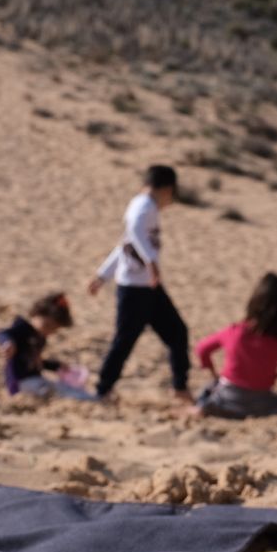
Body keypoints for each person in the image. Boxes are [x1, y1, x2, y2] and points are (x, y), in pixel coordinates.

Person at [88, 164, 191, 406]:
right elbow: (134, 232)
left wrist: (102, 274)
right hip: (135, 288)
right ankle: (102, 389)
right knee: (125, 339)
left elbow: (125, 244)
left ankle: (180, 387)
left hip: (148, 286)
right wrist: (152, 263)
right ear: (168, 189)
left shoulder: (145, 207)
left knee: (177, 332)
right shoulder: (143, 206)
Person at [194, 273, 277, 423]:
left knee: (208, 389)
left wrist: (211, 371)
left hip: (227, 397)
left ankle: (203, 407)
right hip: (261, 401)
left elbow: (202, 349)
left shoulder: (235, 331)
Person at [0, 292, 94, 399]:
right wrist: (8, 342)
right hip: (20, 382)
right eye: (47, 325)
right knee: (49, 389)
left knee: (59, 386)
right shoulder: (22, 328)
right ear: (36, 313)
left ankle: (86, 397)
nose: (48, 330)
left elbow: (36, 361)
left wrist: (57, 366)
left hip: (34, 378)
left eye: (53, 329)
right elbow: (2, 334)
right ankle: (79, 397)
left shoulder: (40, 337)